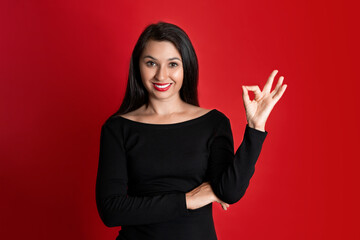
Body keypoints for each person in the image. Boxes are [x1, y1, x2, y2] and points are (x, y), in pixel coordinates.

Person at [95, 21, 287, 240]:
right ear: (138, 66)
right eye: (151, 63)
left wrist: (255, 128)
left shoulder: (212, 123)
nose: (161, 75)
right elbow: (111, 210)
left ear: (187, 66)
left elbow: (229, 192)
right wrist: (188, 200)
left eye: (173, 64)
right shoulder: (118, 128)